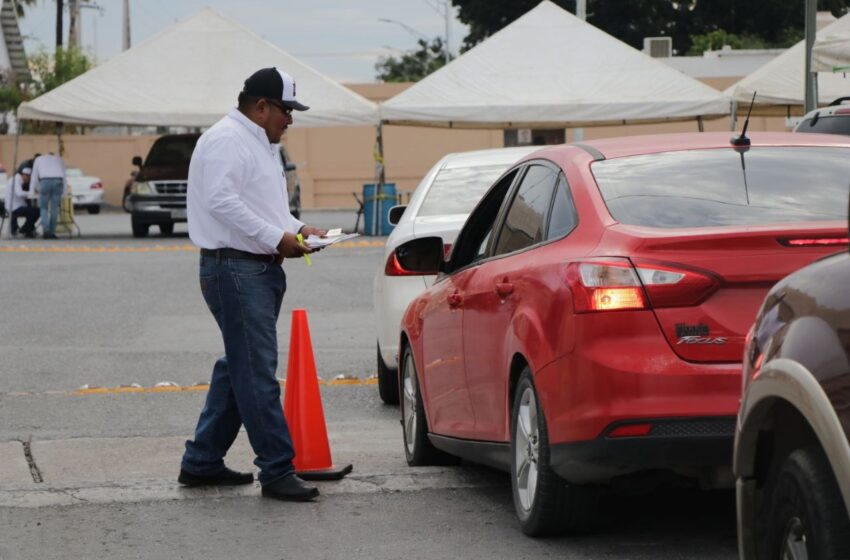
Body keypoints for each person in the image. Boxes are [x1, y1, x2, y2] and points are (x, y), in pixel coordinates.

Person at [179, 67, 326, 502]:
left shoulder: (259, 143)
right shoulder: (227, 139)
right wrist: (276, 238)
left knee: (238, 367)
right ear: (261, 107)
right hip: (235, 269)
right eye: (286, 110)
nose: (291, 119)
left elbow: (266, 208)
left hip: (255, 268)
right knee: (255, 372)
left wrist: (299, 230)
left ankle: (201, 462)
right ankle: (277, 470)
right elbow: (220, 201)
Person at [30, 152, 67, 239]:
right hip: (58, 181)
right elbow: (64, 176)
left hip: (45, 181)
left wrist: (32, 191)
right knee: (54, 208)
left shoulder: (38, 159)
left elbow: (34, 177)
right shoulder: (59, 159)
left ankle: (46, 231)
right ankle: (52, 232)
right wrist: (65, 191)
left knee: (43, 208)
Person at [4, 165, 39, 238]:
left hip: (14, 206)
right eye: (29, 178)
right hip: (14, 208)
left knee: (33, 210)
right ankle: (24, 230)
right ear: (25, 175)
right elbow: (19, 193)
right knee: (37, 211)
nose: (29, 181)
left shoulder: (16, 179)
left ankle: (27, 230)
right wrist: (31, 193)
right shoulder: (16, 180)